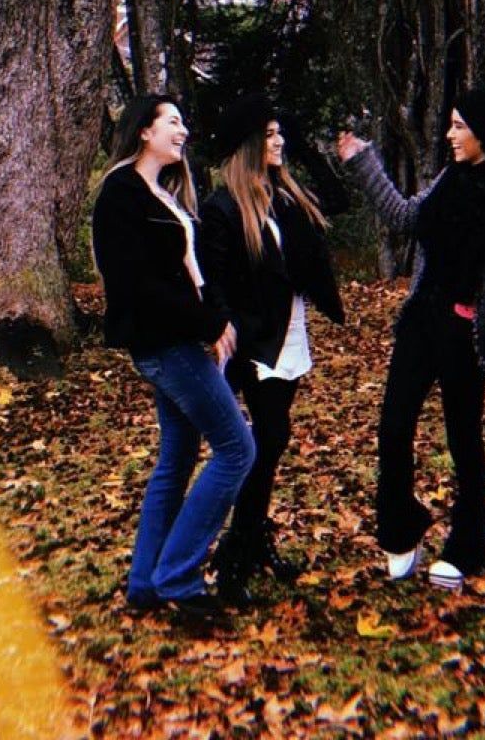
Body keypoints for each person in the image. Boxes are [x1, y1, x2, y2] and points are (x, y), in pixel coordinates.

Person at [337, 82, 485, 592]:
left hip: (466, 332)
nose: (450, 134)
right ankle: (402, 529)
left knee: (463, 440)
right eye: (450, 123)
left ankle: (469, 548)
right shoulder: (450, 176)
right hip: (420, 322)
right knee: (393, 429)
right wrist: (364, 161)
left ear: (484, 134)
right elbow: (406, 218)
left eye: (458, 126)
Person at [91, 94, 256, 620]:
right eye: (172, 122)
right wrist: (206, 323)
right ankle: (179, 577)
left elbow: (194, 274)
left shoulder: (163, 195)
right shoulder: (121, 192)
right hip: (164, 343)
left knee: (179, 457)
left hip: (181, 338)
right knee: (237, 448)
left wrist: (221, 319)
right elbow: (136, 283)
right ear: (144, 131)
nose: (183, 131)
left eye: (184, 122)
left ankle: (145, 583)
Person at [198, 95, 346, 598]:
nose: (278, 141)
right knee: (264, 441)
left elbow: (340, 200)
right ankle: (233, 558)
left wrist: (302, 148)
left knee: (272, 441)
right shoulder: (223, 207)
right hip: (255, 340)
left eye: (281, 133)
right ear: (246, 145)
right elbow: (214, 279)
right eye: (269, 135)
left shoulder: (285, 196)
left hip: (292, 332)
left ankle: (253, 540)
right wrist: (223, 325)